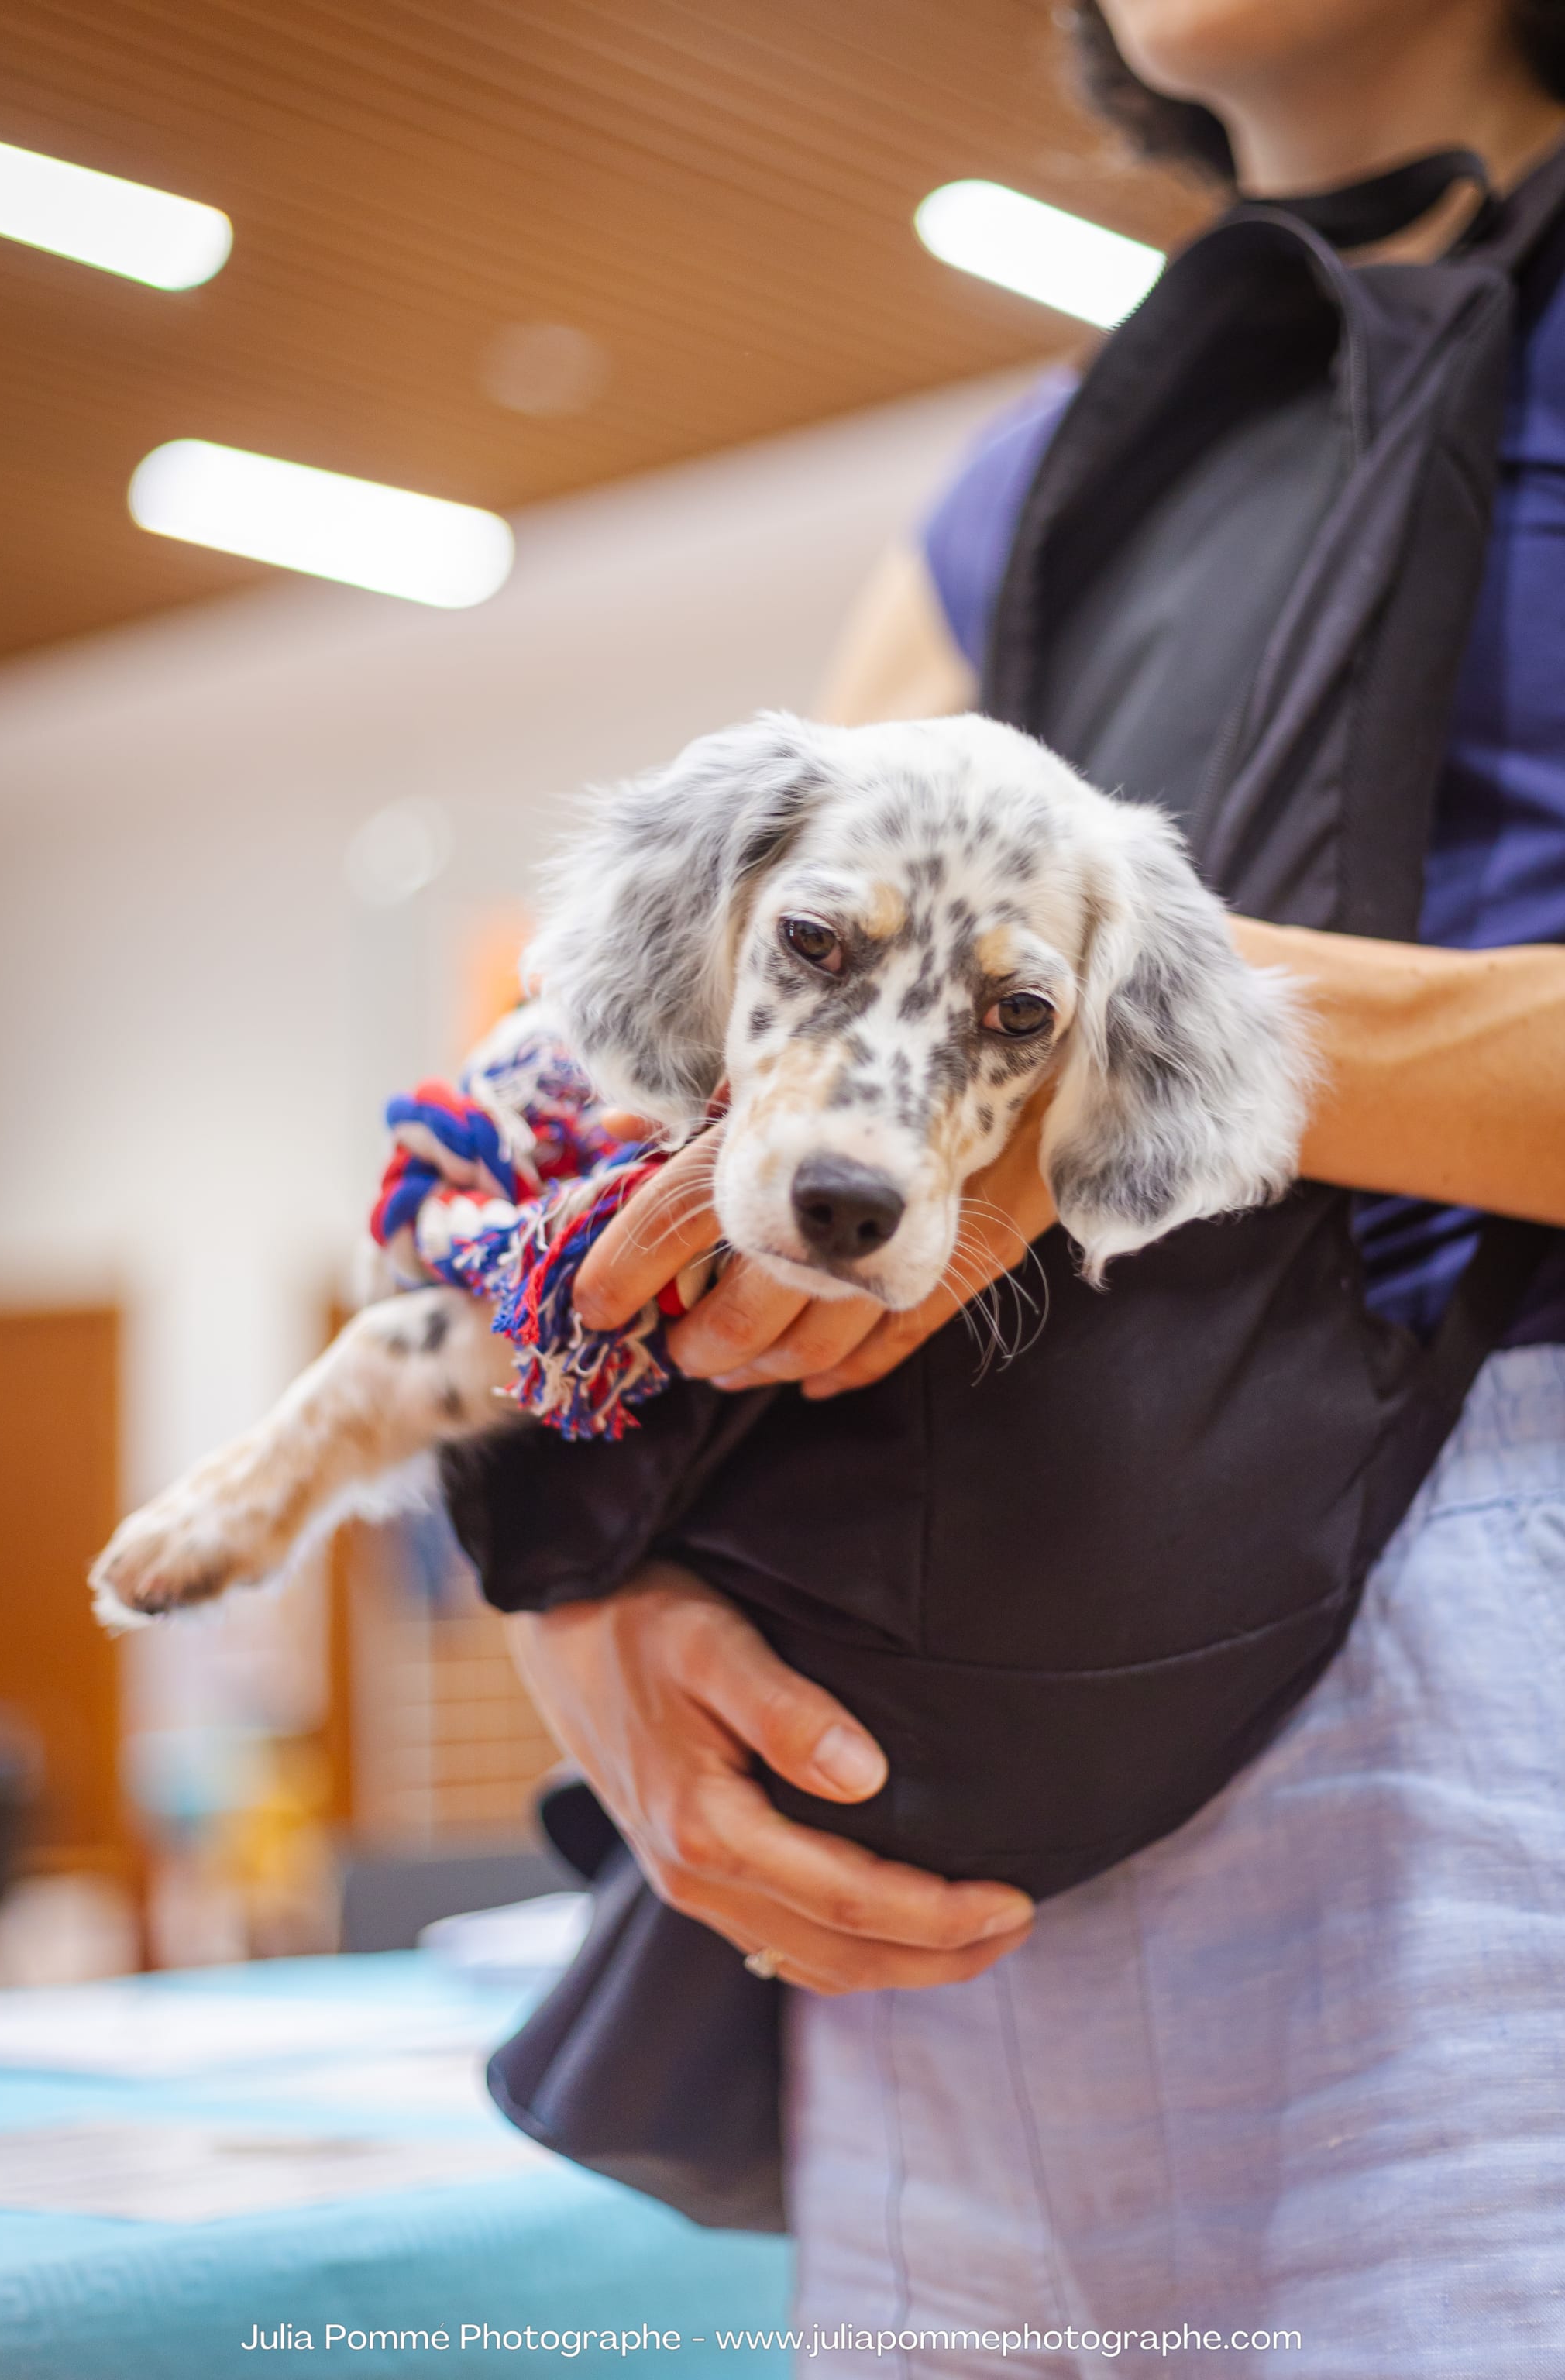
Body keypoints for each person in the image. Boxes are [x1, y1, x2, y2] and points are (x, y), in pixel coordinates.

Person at [507, 2, 1565, 2365]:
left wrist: (1125, 1037)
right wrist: (587, 1602)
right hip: (922, 1786)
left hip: (1489, 1690)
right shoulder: (1035, 482)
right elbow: (632, 1076)